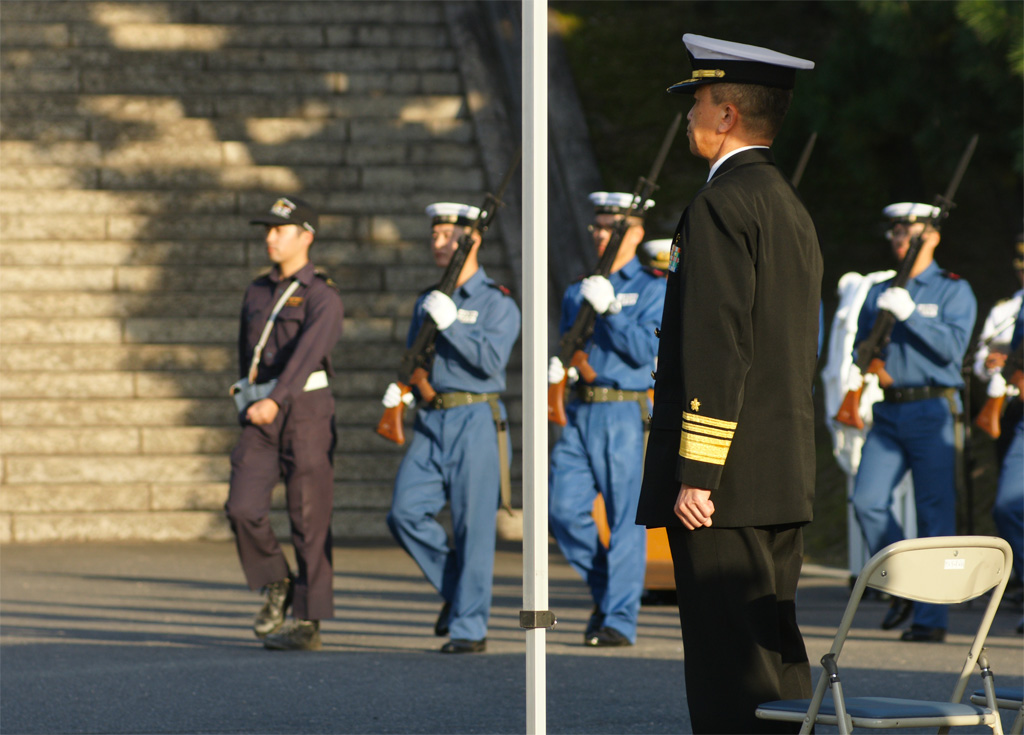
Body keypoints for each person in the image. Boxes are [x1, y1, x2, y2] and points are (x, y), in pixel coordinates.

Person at [635, 35, 820, 733]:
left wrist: (698, 471)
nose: (688, 117)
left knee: (728, 667)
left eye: (699, 102)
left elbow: (720, 346)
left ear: (727, 117)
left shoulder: (720, 206)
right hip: (778, 471)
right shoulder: (787, 206)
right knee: (776, 655)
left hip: (727, 482)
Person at [383, 202, 520, 654]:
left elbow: (491, 363)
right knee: (404, 512)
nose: (438, 243)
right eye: (435, 235)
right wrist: (406, 388)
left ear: (471, 241)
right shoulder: (429, 297)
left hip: (476, 418)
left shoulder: (497, 301)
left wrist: (450, 325)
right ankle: (461, 596)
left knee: (473, 528)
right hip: (431, 418)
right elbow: (414, 357)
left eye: (448, 235)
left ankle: (468, 628)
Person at [848, 202, 977, 642]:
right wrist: (873, 361)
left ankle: (930, 618)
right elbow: (861, 350)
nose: (900, 238)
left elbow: (954, 350)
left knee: (933, 516)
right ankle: (902, 583)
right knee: (867, 500)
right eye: (896, 231)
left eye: (910, 231)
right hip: (889, 409)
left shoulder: (952, 290)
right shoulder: (879, 290)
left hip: (933, 409)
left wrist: (908, 317)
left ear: (932, 236)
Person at [224, 196, 344, 651]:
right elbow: (246, 352)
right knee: (242, 506)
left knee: (308, 516)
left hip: (306, 411)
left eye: (281, 230)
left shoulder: (322, 295)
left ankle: (308, 620)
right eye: (268, 230)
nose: (270, 237)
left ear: (306, 236)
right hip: (262, 413)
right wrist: (250, 394)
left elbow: (310, 354)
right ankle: (277, 581)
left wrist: (276, 398)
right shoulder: (257, 290)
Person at [547, 193, 666, 647]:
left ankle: (618, 620)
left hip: (625, 408)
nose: (598, 233)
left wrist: (613, 310)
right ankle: (609, 592)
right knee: (563, 511)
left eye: (610, 227)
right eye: (597, 226)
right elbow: (568, 341)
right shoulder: (577, 288)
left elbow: (645, 350)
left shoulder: (656, 286)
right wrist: (561, 366)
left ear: (634, 234)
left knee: (623, 520)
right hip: (579, 409)